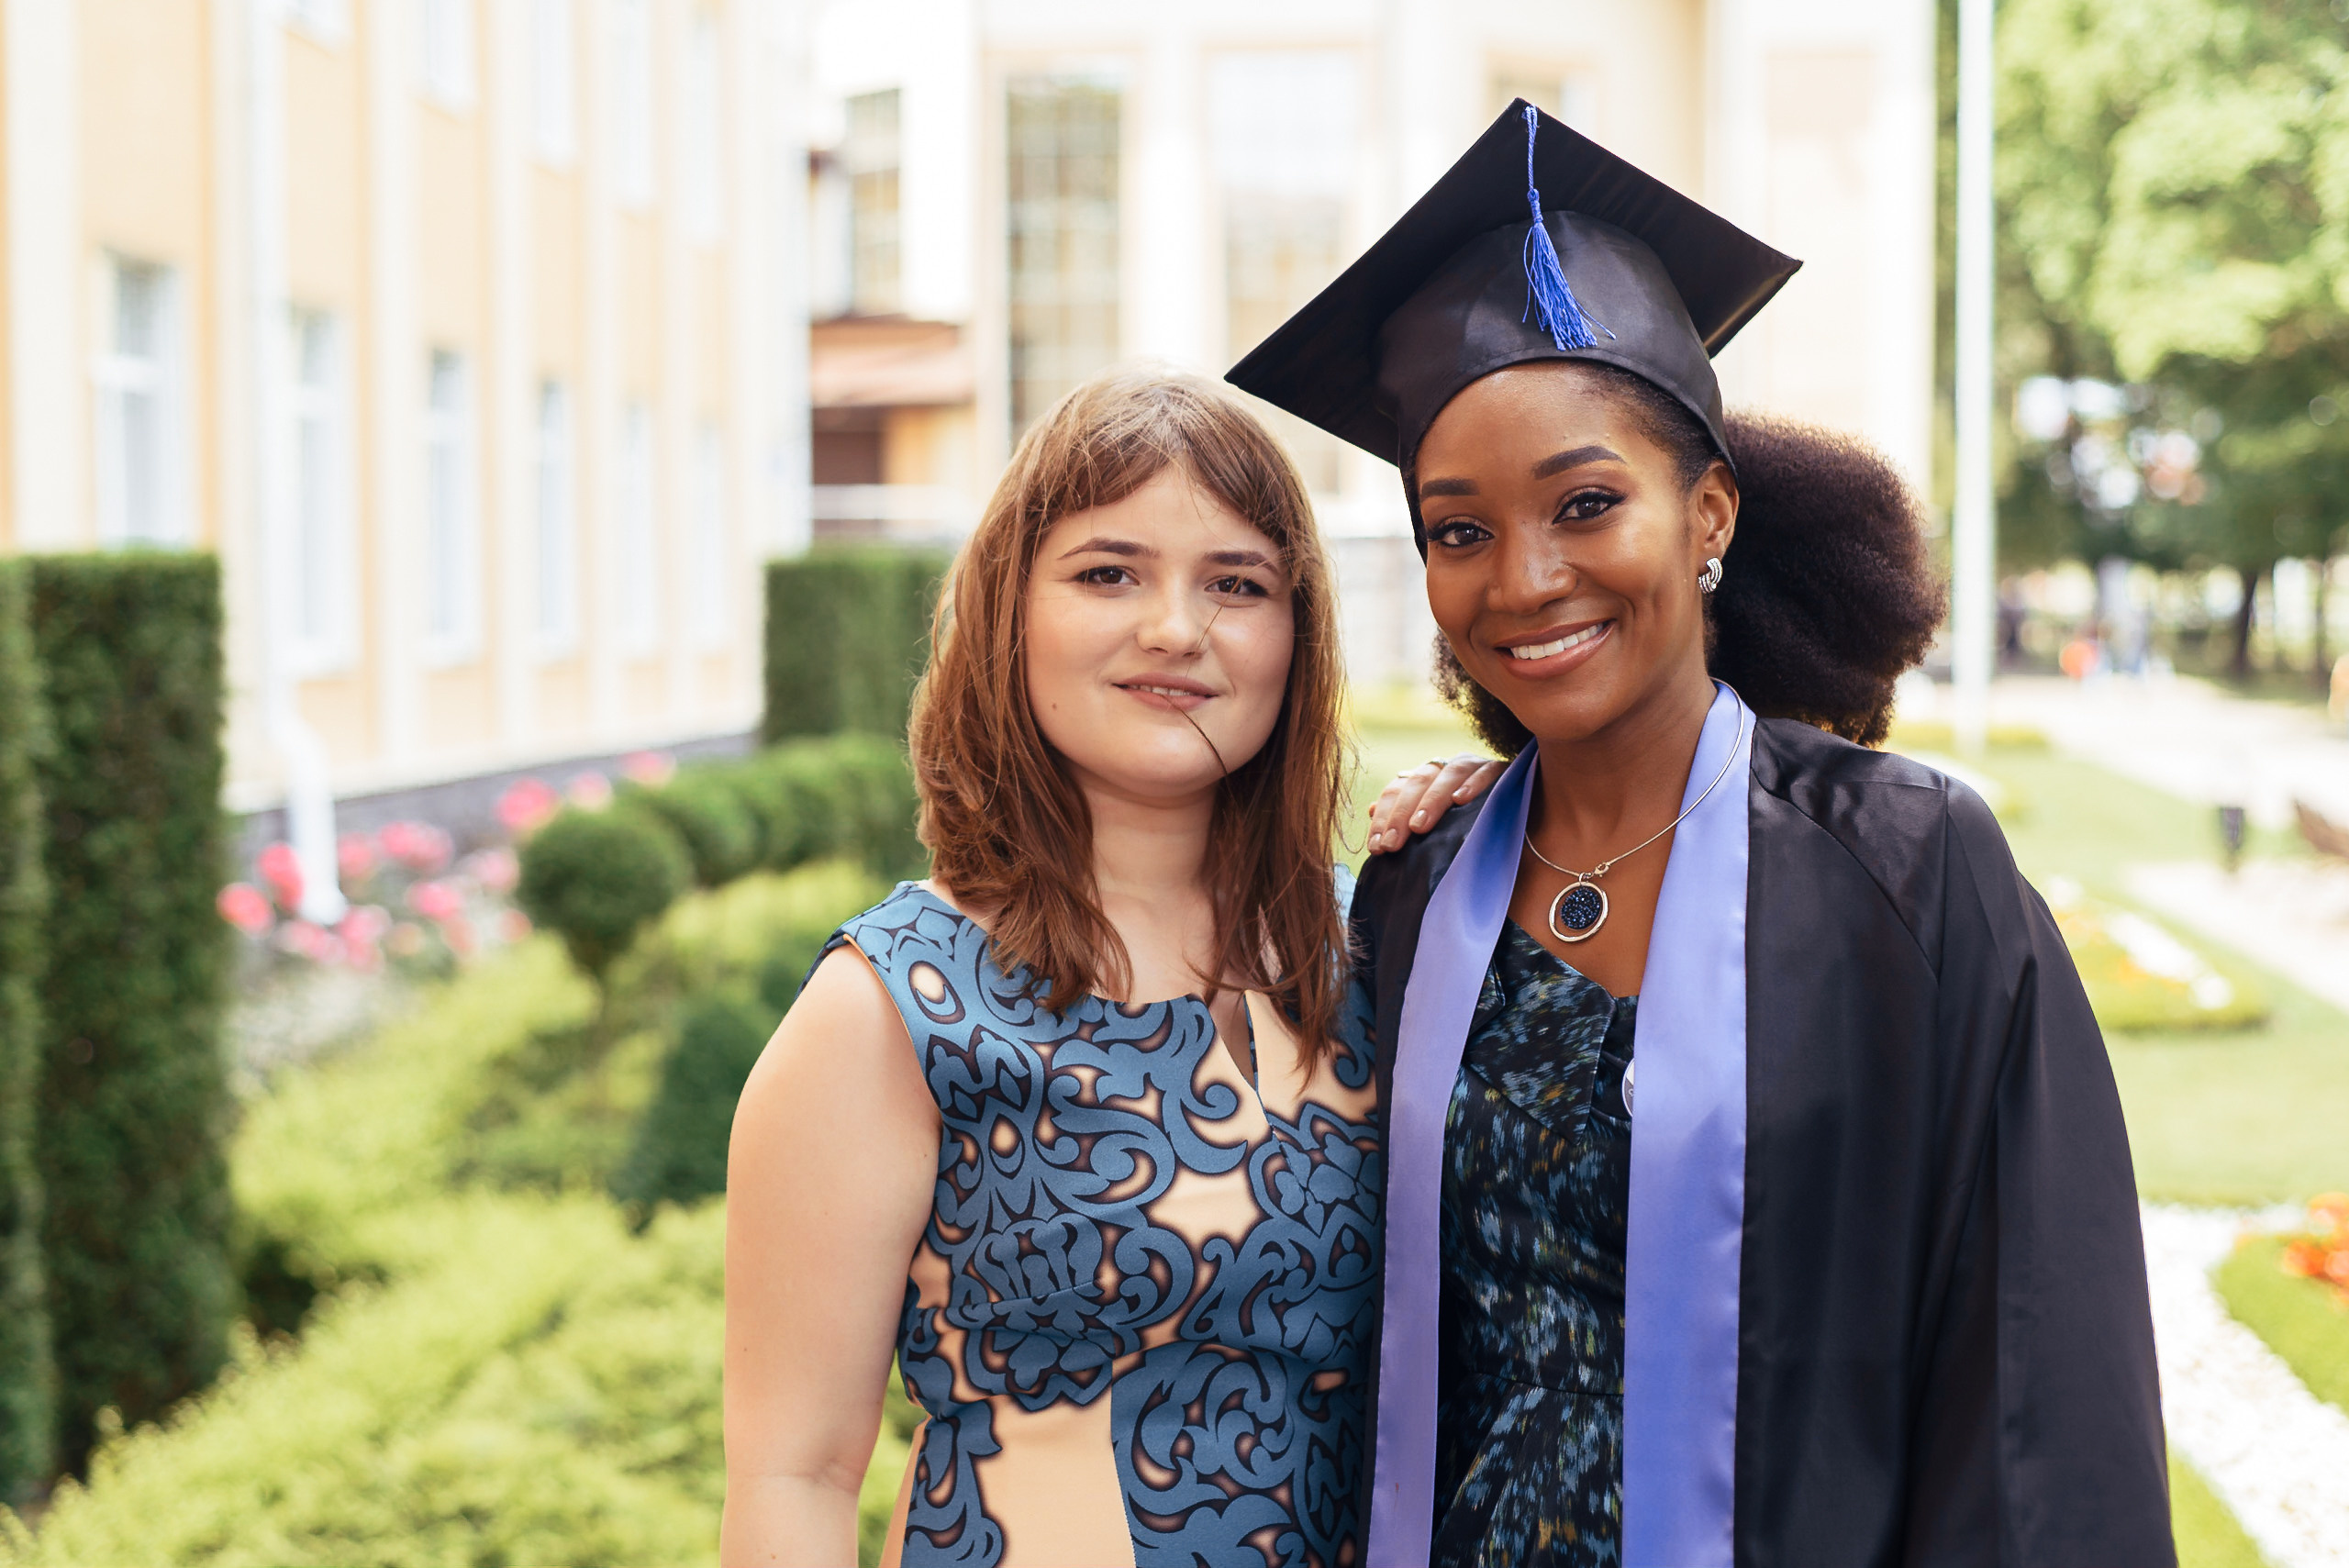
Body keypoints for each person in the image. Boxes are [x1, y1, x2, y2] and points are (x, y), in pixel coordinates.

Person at [1230, 103, 2173, 1566]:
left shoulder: (1907, 872)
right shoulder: (1419, 890)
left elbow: (2034, 1380)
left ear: (1709, 512)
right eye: (1459, 530)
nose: (1522, 579)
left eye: (1586, 503)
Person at [720, 368, 1478, 1568]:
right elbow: (792, 1479)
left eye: (1237, 583)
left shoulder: (1391, 950)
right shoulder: (893, 1007)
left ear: (1298, 634)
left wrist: (1517, 822)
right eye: (1108, 573)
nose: (1176, 627)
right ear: (1012, 612)